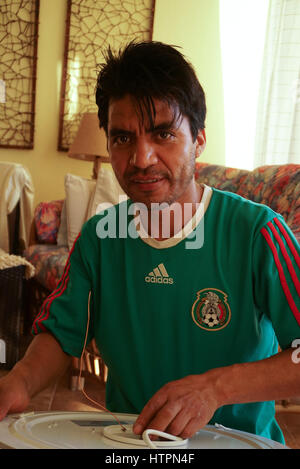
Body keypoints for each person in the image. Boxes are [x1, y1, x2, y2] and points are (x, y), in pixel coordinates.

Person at [0, 41, 299, 446]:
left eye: (163, 134)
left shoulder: (258, 233)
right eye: (123, 138)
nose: (141, 158)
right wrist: (17, 382)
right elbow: (61, 334)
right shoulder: (99, 239)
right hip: (129, 445)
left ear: (198, 140)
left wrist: (215, 389)